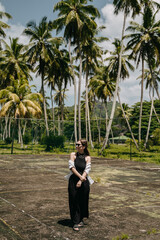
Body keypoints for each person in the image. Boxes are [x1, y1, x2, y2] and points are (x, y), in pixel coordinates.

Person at [67, 139, 93, 231]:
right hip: (74, 180)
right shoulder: (73, 155)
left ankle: (81, 219)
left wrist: (81, 180)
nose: (76, 146)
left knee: (83, 199)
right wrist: (80, 178)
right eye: (76, 144)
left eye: (78, 145)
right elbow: (71, 167)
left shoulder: (87, 157)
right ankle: (75, 222)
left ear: (84, 146)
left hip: (84, 181)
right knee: (74, 199)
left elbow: (87, 169)